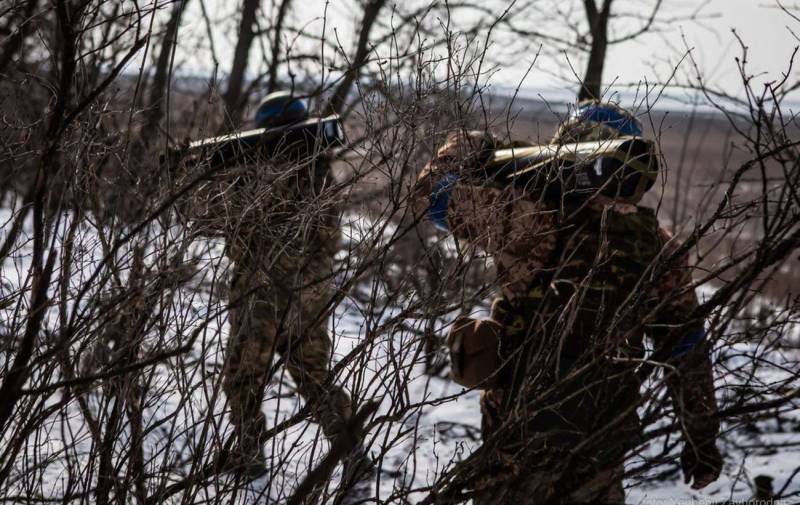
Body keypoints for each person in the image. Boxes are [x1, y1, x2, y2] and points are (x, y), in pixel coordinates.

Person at [416, 101, 722, 504]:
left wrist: (466, 145)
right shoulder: (658, 246)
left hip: (520, 436)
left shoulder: (528, 216)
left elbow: (432, 194)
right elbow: (685, 349)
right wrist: (700, 439)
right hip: (602, 442)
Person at [191, 91, 359, 478]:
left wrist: (212, 174)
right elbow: (329, 239)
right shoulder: (320, 171)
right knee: (313, 372)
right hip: (311, 289)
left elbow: (217, 220)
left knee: (244, 373)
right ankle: (350, 451)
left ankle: (249, 452)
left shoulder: (252, 171)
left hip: (260, 288)